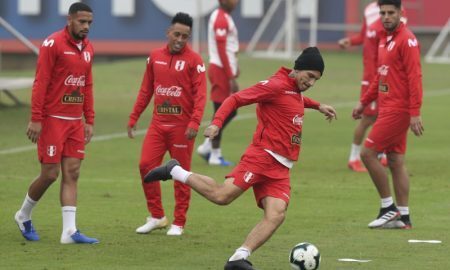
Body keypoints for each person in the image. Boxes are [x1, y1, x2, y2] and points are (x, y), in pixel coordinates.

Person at [144, 47, 337, 269]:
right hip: (262, 157)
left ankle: (238, 258)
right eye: (310, 76)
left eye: (316, 79)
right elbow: (235, 99)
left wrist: (318, 105)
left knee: (276, 215)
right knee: (222, 196)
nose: (311, 82)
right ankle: (174, 170)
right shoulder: (275, 85)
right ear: (298, 68)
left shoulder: (293, 88)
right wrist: (216, 123)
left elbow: (295, 98)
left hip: (281, 167)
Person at [14, 3, 98, 244]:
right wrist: (36, 118)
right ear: (69, 19)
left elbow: (87, 84)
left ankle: (69, 232)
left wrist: (89, 119)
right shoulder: (53, 44)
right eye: (82, 21)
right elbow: (41, 82)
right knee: (50, 174)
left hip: (74, 122)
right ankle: (23, 215)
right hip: (52, 120)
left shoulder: (88, 48)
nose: (86, 27)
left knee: (72, 172)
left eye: (89, 23)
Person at [127, 12, 207, 236]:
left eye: (185, 36)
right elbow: (146, 90)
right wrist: (134, 117)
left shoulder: (195, 61)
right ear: (168, 32)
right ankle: (157, 216)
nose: (180, 39)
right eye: (177, 34)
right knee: (145, 165)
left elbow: (201, 95)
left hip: (182, 128)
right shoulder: (154, 57)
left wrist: (194, 122)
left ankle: (179, 222)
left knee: (180, 174)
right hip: (158, 125)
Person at [352, 0, 424, 229]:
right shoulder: (385, 38)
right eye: (382, 13)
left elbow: (415, 78)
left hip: (398, 110)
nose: (386, 17)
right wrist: (363, 103)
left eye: (390, 12)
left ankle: (388, 207)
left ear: (401, 13)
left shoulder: (407, 40)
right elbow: (380, 76)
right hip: (386, 106)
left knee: (368, 154)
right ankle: (404, 217)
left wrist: (415, 113)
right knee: (395, 161)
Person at [338, 1, 387, 172]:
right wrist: (351, 41)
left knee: (387, 115)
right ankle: (354, 158)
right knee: (368, 119)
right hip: (373, 77)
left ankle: (383, 155)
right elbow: (364, 36)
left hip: (387, 76)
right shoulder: (370, 11)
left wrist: (350, 41)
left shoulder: (397, 9)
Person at [196, 0, 240, 166]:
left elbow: (229, 47)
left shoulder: (224, 16)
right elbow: (221, 50)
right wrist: (230, 76)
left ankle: (208, 147)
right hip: (221, 70)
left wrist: (236, 67)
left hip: (224, 69)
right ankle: (214, 154)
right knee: (222, 111)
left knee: (229, 111)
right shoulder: (220, 18)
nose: (236, 2)